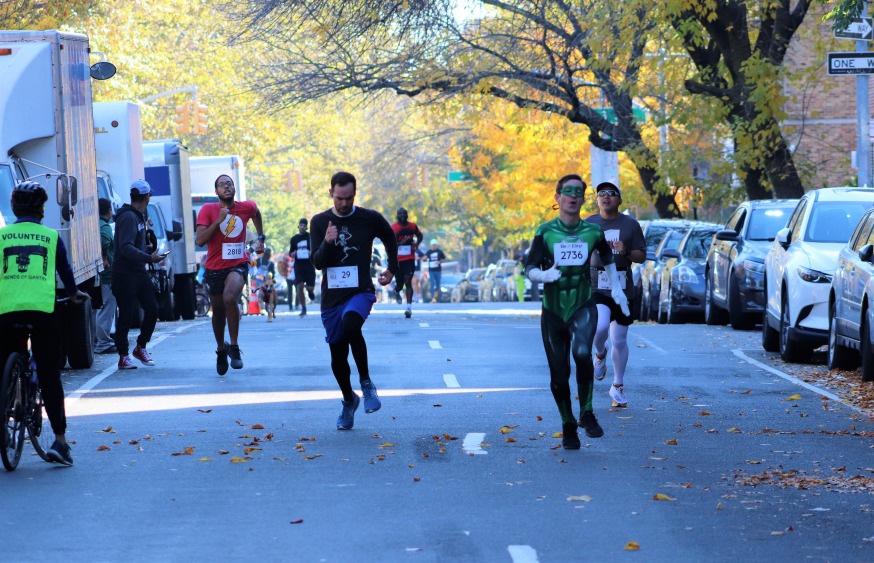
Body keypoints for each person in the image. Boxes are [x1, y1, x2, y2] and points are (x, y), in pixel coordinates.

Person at [523, 174, 629, 450]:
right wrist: (542, 276)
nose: (572, 196)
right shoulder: (544, 231)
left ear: (583, 199)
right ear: (557, 198)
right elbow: (529, 267)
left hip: (583, 303)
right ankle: (568, 422)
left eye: (577, 192)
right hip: (553, 310)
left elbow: (608, 261)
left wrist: (617, 291)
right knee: (558, 374)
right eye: (566, 192)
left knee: (582, 353)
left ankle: (587, 413)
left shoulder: (593, 232)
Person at [0, 181, 89, 466]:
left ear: (14, 209)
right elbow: (65, 272)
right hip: (42, 312)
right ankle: (60, 442)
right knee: (49, 375)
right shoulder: (50, 237)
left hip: (6, 313)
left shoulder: (2, 237)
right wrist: (74, 294)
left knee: (1, 367)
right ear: (41, 210)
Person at [310, 171, 399, 430]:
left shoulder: (369, 218)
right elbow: (317, 263)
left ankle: (367, 384)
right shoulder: (319, 221)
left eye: (349, 198)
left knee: (352, 325)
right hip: (331, 298)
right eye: (339, 198)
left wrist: (392, 268)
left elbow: (390, 237)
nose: (344, 203)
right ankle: (349, 401)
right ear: (331, 194)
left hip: (360, 291)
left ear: (355, 194)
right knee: (337, 356)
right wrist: (327, 243)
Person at [195, 174, 265, 375]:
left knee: (229, 297)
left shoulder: (246, 207)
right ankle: (220, 349)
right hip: (215, 267)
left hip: (238, 263)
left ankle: (234, 347)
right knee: (217, 312)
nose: (226, 187)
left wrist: (260, 237)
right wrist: (218, 221)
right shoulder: (208, 210)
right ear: (215, 191)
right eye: (221, 185)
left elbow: (257, 213)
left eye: (229, 184)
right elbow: (200, 240)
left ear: (234, 188)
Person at [586, 182, 646, 409]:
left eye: (611, 194)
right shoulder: (589, 223)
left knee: (620, 339)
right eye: (601, 194)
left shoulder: (630, 225)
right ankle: (600, 354)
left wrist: (626, 251)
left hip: (622, 286)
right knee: (600, 327)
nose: (606, 197)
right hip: (596, 285)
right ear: (597, 200)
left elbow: (641, 256)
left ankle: (618, 386)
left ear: (619, 200)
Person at [112, 180, 166, 369]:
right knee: (126, 315)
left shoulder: (138, 216)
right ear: (146, 197)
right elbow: (125, 247)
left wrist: (147, 247)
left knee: (152, 308)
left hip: (138, 272)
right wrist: (148, 257)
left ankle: (140, 347)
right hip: (124, 274)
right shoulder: (128, 217)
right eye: (149, 195)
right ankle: (123, 355)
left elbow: (133, 243)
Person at [391, 207, 423, 318]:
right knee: (400, 284)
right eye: (400, 214)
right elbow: (390, 244)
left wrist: (417, 244)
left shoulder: (412, 226)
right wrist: (401, 243)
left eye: (404, 213)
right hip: (398, 259)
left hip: (409, 258)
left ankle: (408, 307)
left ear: (407, 215)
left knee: (408, 281)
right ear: (397, 216)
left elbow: (420, 235)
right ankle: (396, 291)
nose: (403, 215)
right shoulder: (394, 228)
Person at [94, 198, 117, 354]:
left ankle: (101, 340)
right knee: (107, 309)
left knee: (101, 310)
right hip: (107, 276)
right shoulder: (105, 227)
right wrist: (104, 258)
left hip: (99, 275)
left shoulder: (95, 225)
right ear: (109, 210)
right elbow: (104, 241)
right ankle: (104, 342)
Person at [289, 218, 317, 317]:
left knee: (310, 287)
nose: (302, 227)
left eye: (304, 225)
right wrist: (292, 253)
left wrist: (311, 252)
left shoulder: (311, 237)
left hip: (309, 266)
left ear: (306, 227)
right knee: (299, 286)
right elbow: (290, 252)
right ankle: (303, 308)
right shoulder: (294, 239)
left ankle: (310, 291)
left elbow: (316, 249)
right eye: (301, 225)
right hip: (299, 266)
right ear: (299, 226)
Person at [425, 238, 446, 303]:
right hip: (431, 270)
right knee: (432, 283)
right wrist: (423, 258)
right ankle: (433, 298)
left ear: (436, 245)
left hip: (438, 270)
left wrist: (439, 261)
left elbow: (444, 259)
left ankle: (438, 297)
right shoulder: (429, 252)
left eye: (435, 245)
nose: (434, 246)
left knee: (438, 284)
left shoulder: (439, 251)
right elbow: (424, 258)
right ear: (431, 245)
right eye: (432, 245)